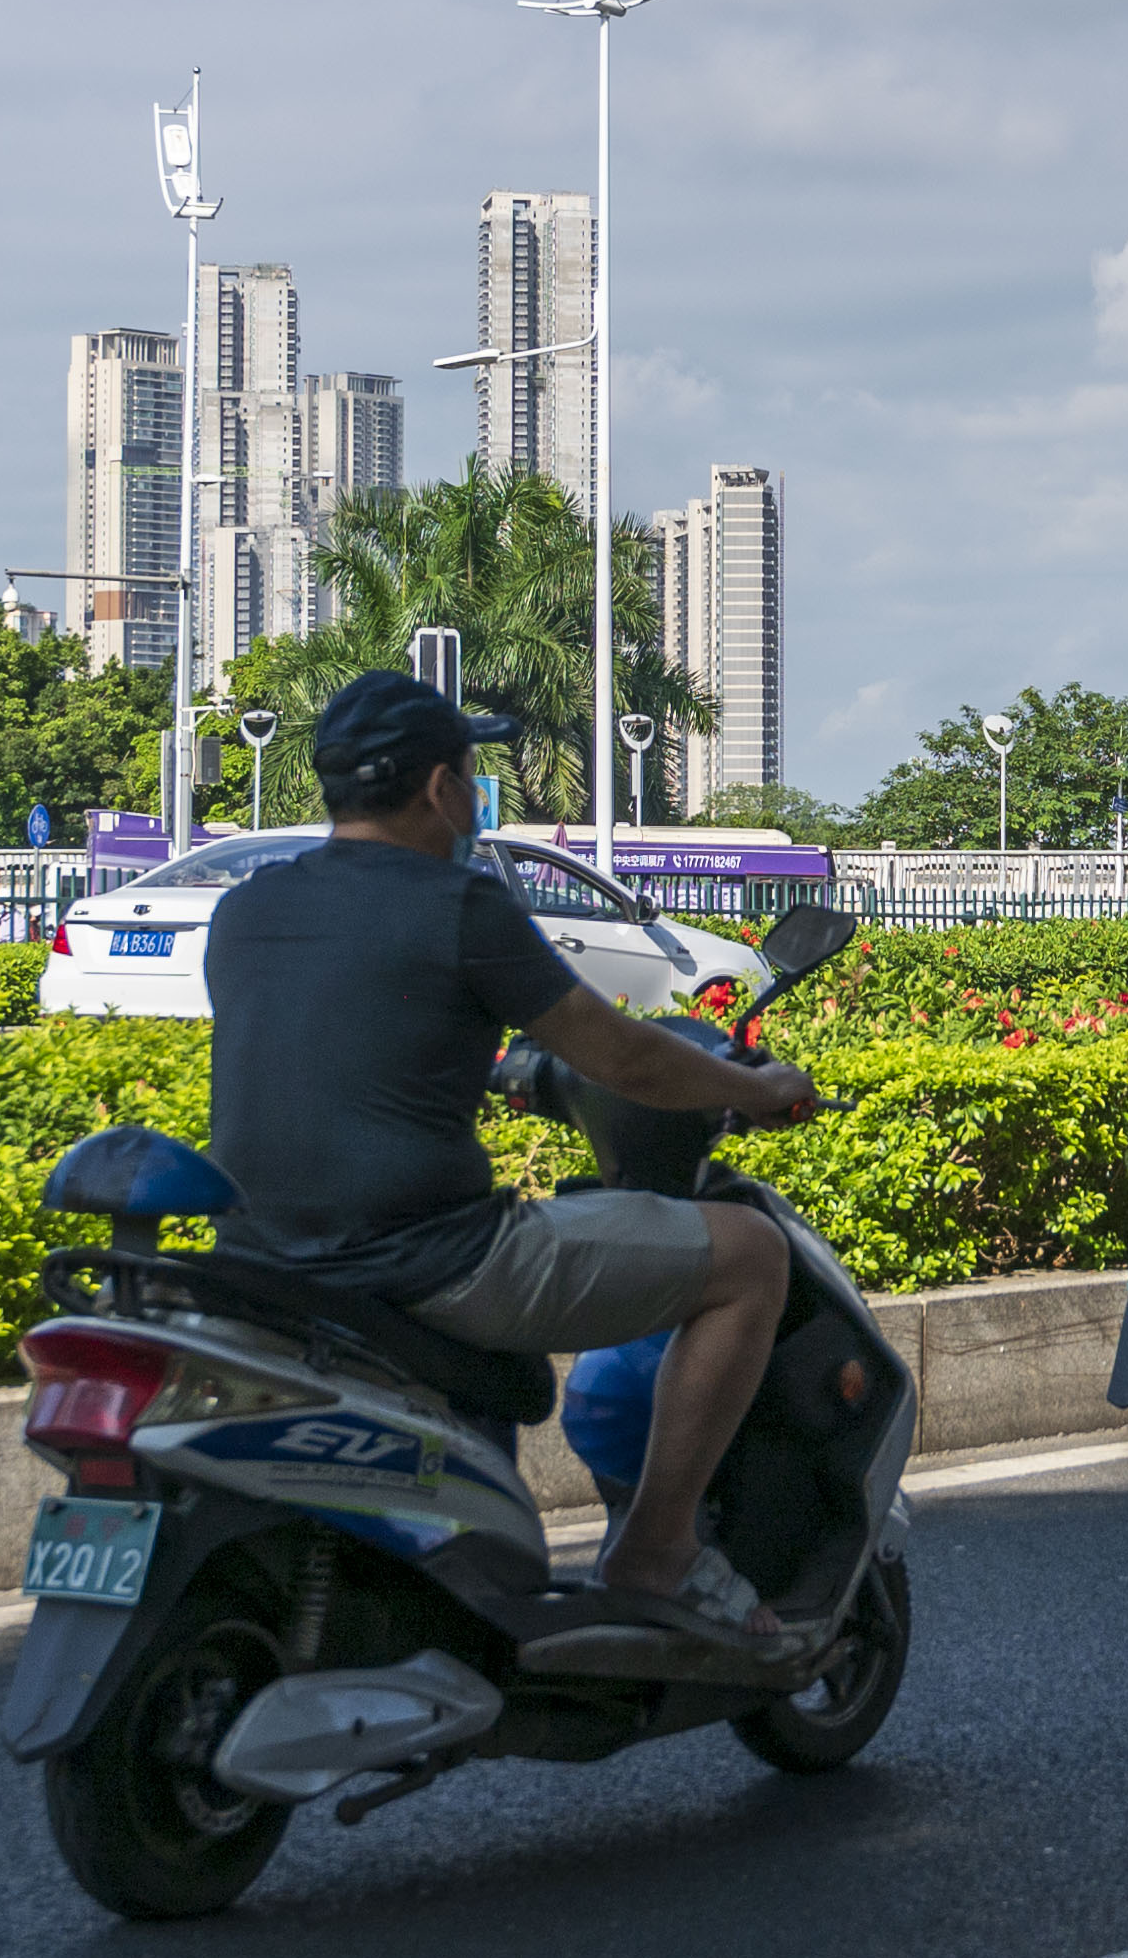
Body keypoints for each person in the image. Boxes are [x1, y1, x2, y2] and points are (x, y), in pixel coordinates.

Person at [203, 669, 830, 1661]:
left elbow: (348, 1037)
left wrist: (491, 1069)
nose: (475, 797)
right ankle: (657, 1552)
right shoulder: (461, 903)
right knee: (749, 1254)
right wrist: (756, 1088)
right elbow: (618, 1054)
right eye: (470, 773)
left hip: (261, 1260)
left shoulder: (244, 908)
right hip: (434, 1258)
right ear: (441, 790)